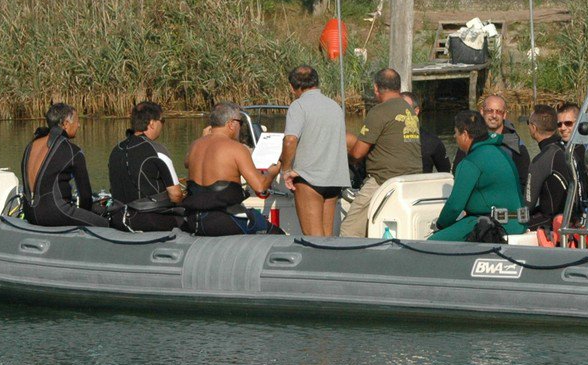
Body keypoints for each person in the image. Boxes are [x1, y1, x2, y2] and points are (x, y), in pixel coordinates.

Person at [339, 68, 423, 238]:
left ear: (376, 88)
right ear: (398, 87)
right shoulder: (408, 110)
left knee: (348, 230)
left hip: (383, 180)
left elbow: (357, 153)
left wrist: (345, 157)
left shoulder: (379, 111)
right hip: (411, 179)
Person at [181, 102, 282, 236]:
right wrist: (272, 173)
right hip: (224, 221)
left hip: (195, 220)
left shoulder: (195, 146)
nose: (240, 128)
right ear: (231, 124)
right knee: (276, 233)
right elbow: (260, 187)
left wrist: (204, 136)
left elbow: (187, 163)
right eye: (241, 123)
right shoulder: (236, 148)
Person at [429, 109, 527, 242]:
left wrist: (440, 225)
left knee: (432, 242)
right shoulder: (501, 152)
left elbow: (455, 206)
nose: (454, 136)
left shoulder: (470, 162)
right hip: (519, 224)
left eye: (456, 132)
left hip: (493, 225)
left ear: (464, 134)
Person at [278, 64, 350, 236]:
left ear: (292, 87)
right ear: (317, 82)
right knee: (326, 238)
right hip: (333, 180)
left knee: (313, 240)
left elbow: (290, 140)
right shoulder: (335, 107)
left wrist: (286, 170)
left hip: (309, 180)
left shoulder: (298, 106)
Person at [20, 102, 110, 227]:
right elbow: (85, 196)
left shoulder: (31, 145)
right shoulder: (73, 150)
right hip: (54, 213)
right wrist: (89, 214)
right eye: (77, 121)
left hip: (29, 212)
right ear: (66, 124)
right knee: (105, 223)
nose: (78, 125)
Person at [107, 100, 184, 232]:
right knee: (190, 219)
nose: (163, 125)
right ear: (152, 123)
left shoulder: (116, 149)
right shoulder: (157, 150)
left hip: (118, 218)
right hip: (146, 220)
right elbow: (176, 195)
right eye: (163, 120)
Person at [453, 93, 529, 200]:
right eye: (489, 111)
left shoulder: (516, 145)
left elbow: (524, 183)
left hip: (507, 205)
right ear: (482, 112)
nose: (494, 115)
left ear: (504, 115)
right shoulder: (469, 141)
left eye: (498, 112)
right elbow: (458, 174)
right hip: (477, 205)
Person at [525, 102, 573, 230]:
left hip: (553, 222)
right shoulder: (568, 150)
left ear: (534, 128)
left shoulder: (542, 159)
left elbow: (526, 207)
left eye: (527, 123)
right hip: (574, 217)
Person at [402, 90, 450, 173]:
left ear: (416, 111)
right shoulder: (385, 140)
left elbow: (446, 173)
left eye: (403, 107)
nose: (397, 112)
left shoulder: (432, 142)